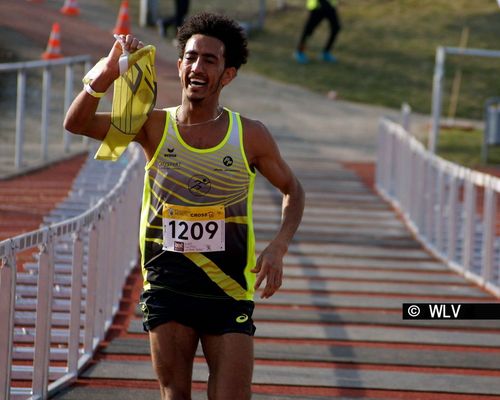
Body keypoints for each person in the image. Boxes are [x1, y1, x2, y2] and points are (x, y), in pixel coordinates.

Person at [64, 12, 305, 400]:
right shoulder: (152, 126)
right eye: (191, 57)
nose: (197, 66)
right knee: (175, 395)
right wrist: (108, 73)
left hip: (228, 290)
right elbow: (76, 123)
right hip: (167, 284)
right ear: (179, 66)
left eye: (210, 60)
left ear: (227, 75)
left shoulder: (250, 136)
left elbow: (293, 189)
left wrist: (279, 246)